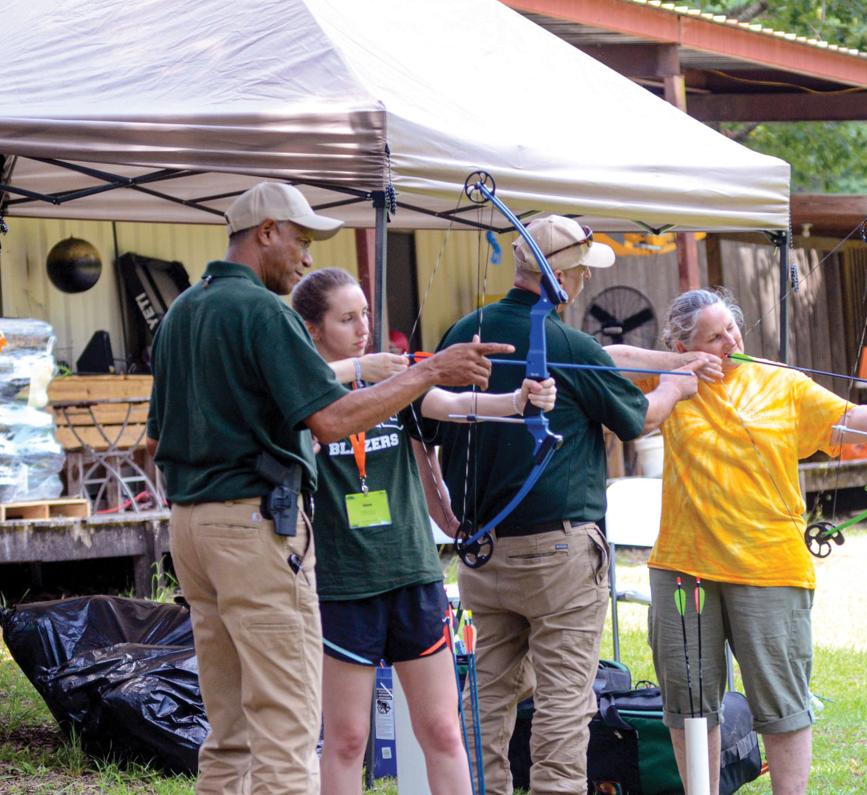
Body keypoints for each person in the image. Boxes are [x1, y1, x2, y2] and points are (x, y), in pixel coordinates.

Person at [146, 182, 512, 795]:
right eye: (302, 239)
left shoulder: (184, 308)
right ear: (266, 232)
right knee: (289, 732)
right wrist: (427, 371)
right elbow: (333, 420)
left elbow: (155, 440)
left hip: (189, 527)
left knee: (228, 731)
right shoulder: (263, 311)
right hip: (254, 528)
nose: (308, 257)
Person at [436, 215, 712, 795]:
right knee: (565, 696)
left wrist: (441, 504)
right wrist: (677, 387)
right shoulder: (566, 342)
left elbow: (422, 423)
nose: (586, 278)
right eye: (582, 269)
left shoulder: (464, 330)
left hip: (482, 550)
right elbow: (639, 420)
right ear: (565, 276)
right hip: (559, 554)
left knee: (485, 692)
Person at [646, 288, 867, 795]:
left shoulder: (780, 383)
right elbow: (604, 361)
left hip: (769, 566)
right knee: (689, 703)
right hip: (684, 564)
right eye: (713, 337)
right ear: (681, 342)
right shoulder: (670, 380)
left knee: (781, 705)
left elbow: (842, 419)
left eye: (731, 329)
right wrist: (677, 366)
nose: (729, 342)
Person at [291, 268, 556, 795]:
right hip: (343, 587)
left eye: (365, 312)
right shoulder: (301, 395)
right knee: (346, 739)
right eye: (346, 318)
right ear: (313, 329)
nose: (363, 326)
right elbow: (298, 424)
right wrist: (356, 369)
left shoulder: (395, 381)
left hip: (412, 574)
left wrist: (516, 404)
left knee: (441, 728)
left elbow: (455, 405)